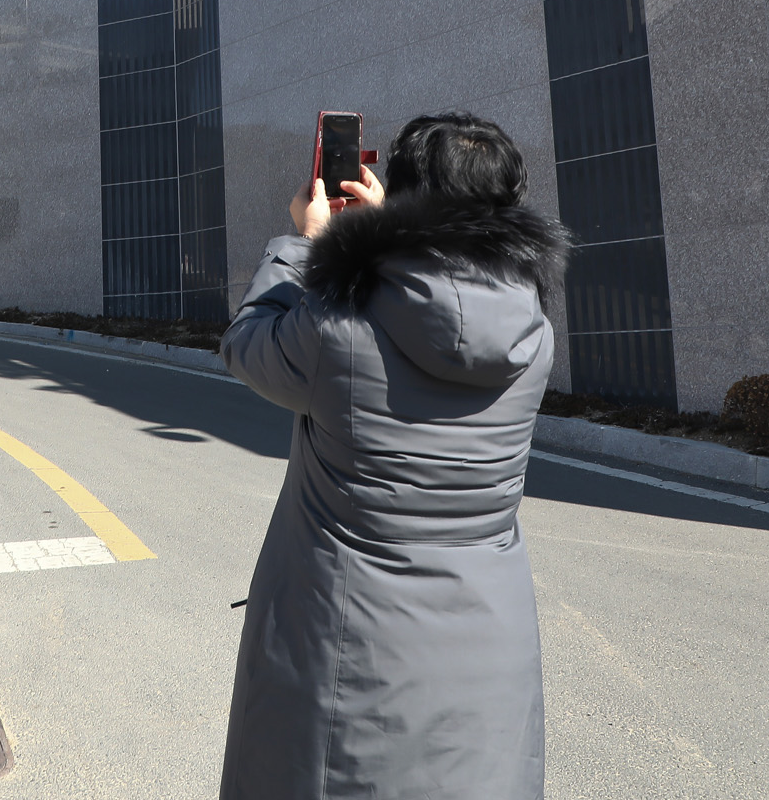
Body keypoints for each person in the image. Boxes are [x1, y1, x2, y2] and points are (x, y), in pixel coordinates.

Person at [218, 113, 568, 800]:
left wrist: (310, 243)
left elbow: (248, 343)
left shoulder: (338, 323)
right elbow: (446, 290)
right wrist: (387, 233)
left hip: (352, 643)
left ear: (408, 199)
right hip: (488, 641)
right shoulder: (533, 332)